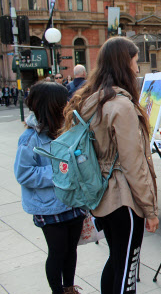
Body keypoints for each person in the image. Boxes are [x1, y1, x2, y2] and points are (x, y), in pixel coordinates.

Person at [62, 37, 158, 294]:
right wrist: (150, 210)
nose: (138, 70)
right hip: (124, 199)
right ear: (124, 64)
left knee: (115, 262)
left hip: (101, 196)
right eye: (136, 63)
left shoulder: (92, 101)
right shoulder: (121, 105)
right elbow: (134, 164)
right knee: (127, 269)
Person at [14, 82, 85, 294]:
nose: (68, 105)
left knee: (71, 249)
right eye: (64, 102)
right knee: (57, 251)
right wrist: (59, 172)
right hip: (48, 206)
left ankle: (69, 288)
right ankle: (57, 291)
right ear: (51, 106)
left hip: (72, 200)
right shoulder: (29, 138)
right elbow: (24, 173)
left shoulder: (68, 129)